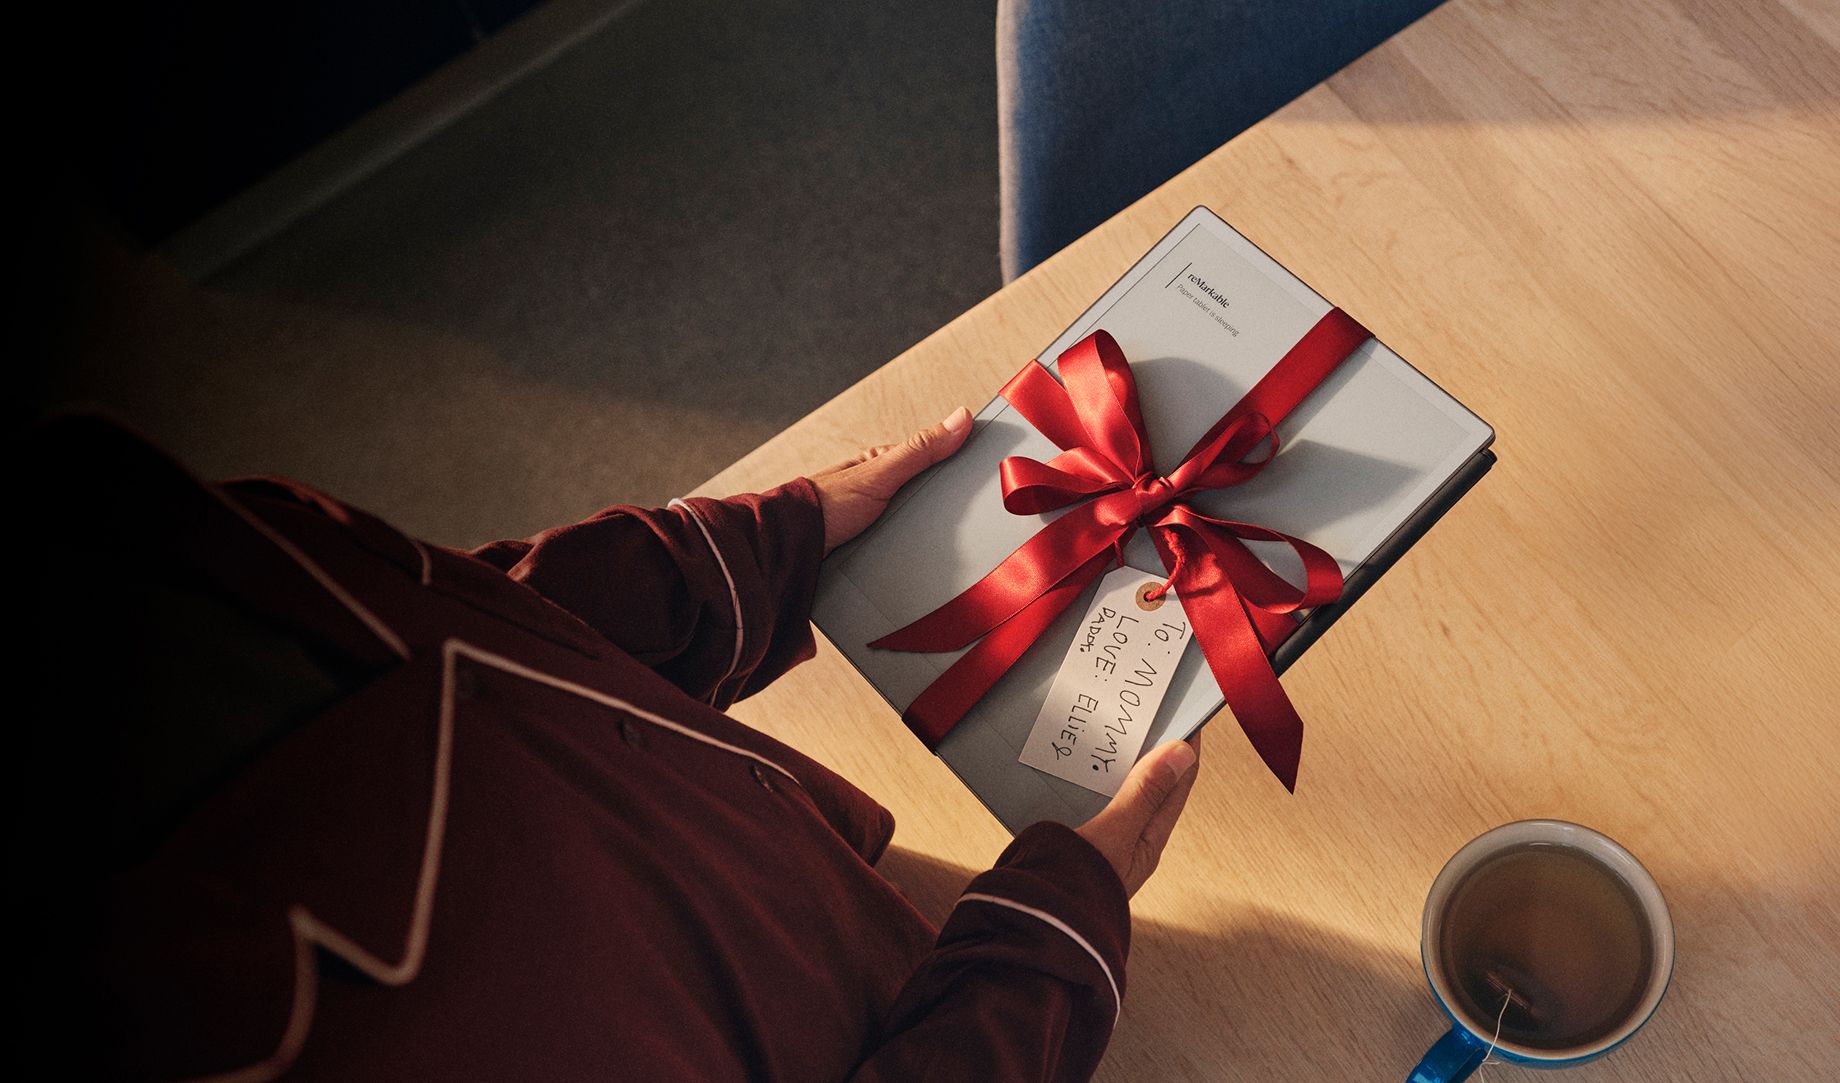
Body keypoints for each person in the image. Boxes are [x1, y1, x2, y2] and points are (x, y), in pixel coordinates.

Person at [23, 409, 1201, 1082]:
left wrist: (719, 566)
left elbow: (446, 647)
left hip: (848, 899)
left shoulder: (116, 517)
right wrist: (1042, 961)